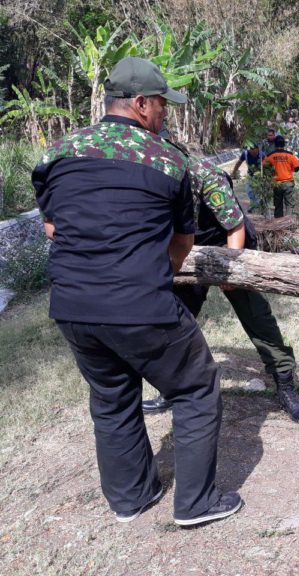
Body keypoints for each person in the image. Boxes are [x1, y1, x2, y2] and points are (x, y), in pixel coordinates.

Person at [31, 57, 242, 526]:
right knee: (196, 387)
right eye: (162, 105)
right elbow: (184, 241)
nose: (165, 113)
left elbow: (50, 225)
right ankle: (196, 503)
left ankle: (130, 499)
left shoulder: (60, 150)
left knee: (111, 396)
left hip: (72, 305)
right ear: (141, 103)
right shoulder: (167, 159)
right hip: (140, 304)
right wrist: (152, 271)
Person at [143, 132, 299, 424]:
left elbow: (235, 226)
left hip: (228, 244)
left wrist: (231, 271)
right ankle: (171, 387)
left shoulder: (202, 173)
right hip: (187, 248)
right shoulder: (145, 176)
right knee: (175, 319)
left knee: (256, 317)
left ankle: (285, 384)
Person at [262, 135, 299, 218]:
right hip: (288, 183)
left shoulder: (270, 156)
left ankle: (278, 223)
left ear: (275, 145)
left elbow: (264, 167)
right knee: (289, 205)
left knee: (278, 205)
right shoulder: (290, 155)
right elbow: (297, 168)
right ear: (284, 145)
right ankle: (288, 222)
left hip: (277, 184)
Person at [230, 142, 264, 213]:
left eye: (254, 151)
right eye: (251, 151)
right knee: (249, 190)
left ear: (257, 149)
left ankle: (258, 206)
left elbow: (267, 165)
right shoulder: (245, 154)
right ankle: (254, 205)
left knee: (259, 192)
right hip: (250, 175)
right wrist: (234, 172)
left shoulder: (262, 155)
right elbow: (239, 162)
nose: (253, 153)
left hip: (260, 176)